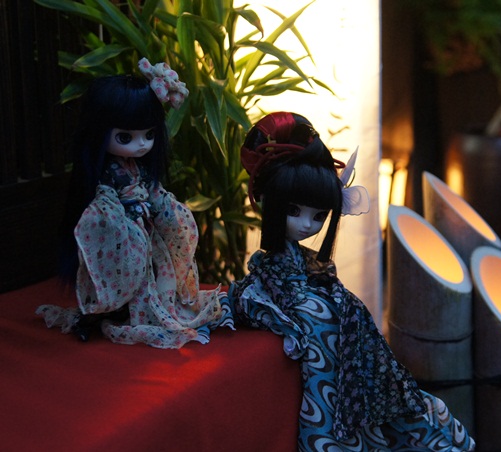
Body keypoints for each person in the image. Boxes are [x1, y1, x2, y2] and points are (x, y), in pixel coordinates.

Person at [221, 112, 475, 450]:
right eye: (294, 211)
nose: (307, 225)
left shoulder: (313, 268)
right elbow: (256, 301)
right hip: (320, 357)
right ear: (266, 200)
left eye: (319, 216)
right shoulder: (268, 276)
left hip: (339, 340)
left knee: (410, 407)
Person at [36, 59, 225, 348]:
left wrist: (166, 210)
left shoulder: (140, 171)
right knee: (120, 274)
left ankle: (142, 310)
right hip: (122, 234)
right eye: (126, 137)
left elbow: (153, 193)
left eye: (149, 135)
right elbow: (105, 201)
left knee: (150, 275)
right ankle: (96, 315)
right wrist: (117, 216)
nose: (142, 144)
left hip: (145, 231)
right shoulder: (109, 174)